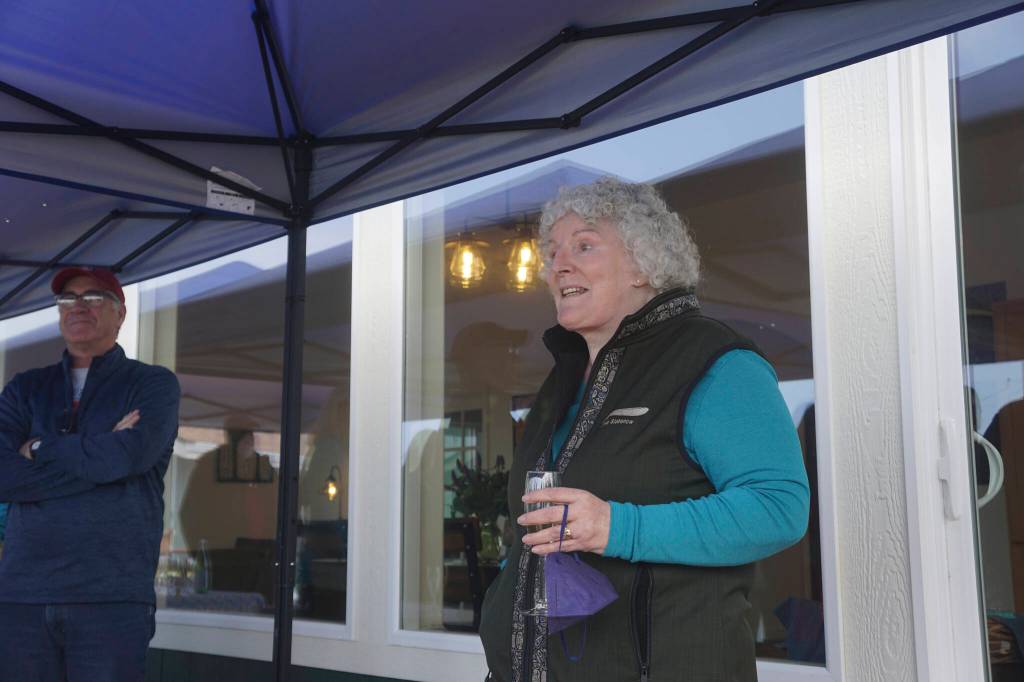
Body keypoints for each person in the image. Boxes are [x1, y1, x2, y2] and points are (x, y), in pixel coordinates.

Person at [479, 178, 810, 681]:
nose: (558, 265)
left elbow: (778, 507)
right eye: (552, 253)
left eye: (583, 245)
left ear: (642, 262)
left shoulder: (714, 361)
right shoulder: (564, 379)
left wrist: (617, 526)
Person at [0, 266, 181, 681]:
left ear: (120, 314)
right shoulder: (26, 388)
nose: (78, 306)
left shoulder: (151, 385)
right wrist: (99, 457)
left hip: (111, 597)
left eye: (94, 297)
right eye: (67, 299)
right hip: (22, 595)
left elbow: (129, 457)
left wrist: (39, 448)